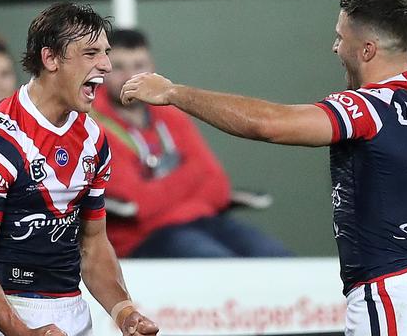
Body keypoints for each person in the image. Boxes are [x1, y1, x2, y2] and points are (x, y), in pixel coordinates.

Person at [120, 0, 407, 336]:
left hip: (389, 299)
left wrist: (173, 92)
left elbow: (269, 124)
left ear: (367, 49)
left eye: (341, 38)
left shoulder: (365, 109)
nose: (335, 49)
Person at [0, 3, 158, 336]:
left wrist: (124, 313)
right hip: (4, 324)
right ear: (51, 58)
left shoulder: (93, 138)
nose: (105, 65)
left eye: (105, 53)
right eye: (91, 53)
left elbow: (93, 245)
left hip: (73, 314)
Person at [93, 29, 292, 258]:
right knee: (218, 265)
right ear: (104, 70)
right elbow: (139, 205)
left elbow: (218, 184)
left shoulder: (169, 112)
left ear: (152, 68)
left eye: (139, 66)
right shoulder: (92, 124)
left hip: (204, 222)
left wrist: (161, 188)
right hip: (145, 237)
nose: (130, 76)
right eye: (118, 67)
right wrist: (191, 174)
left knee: (278, 257)